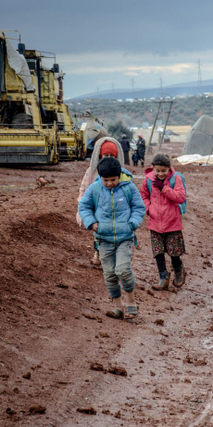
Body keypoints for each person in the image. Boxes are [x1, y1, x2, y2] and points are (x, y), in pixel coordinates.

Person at [78, 157, 145, 319]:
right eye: (105, 180)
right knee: (110, 274)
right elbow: (84, 206)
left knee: (122, 269)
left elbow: (139, 207)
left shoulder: (129, 187)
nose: (109, 183)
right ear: (100, 177)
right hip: (103, 239)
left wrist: (133, 223)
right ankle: (118, 307)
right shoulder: (95, 189)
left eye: (113, 180)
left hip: (125, 237)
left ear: (119, 175)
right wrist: (91, 223)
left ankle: (131, 303)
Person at [140, 153, 186, 290]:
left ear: (169, 168)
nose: (160, 174)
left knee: (174, 251)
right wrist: (148, 209)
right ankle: (163, 277)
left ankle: (179, 270)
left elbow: (180, 197)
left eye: (163, 171)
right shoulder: (148, 180)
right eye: (158, 171)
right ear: (153, 168)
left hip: (172, 222)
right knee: (158, 251)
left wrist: (164, 188)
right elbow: (143, 195)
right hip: (155, 222)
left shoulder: (176, 179)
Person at [76, 137, 124, 266]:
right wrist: (82, 206)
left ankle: (110, 256)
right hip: (97, 208)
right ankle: (98, 253)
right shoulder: (92, 172)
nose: (108, 157)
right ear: (100, 155)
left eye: (111, 155)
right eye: (105, 155)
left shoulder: (120, 173)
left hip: (114, 207)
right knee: (98, 233)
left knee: (112, 233)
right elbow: (84, 188)